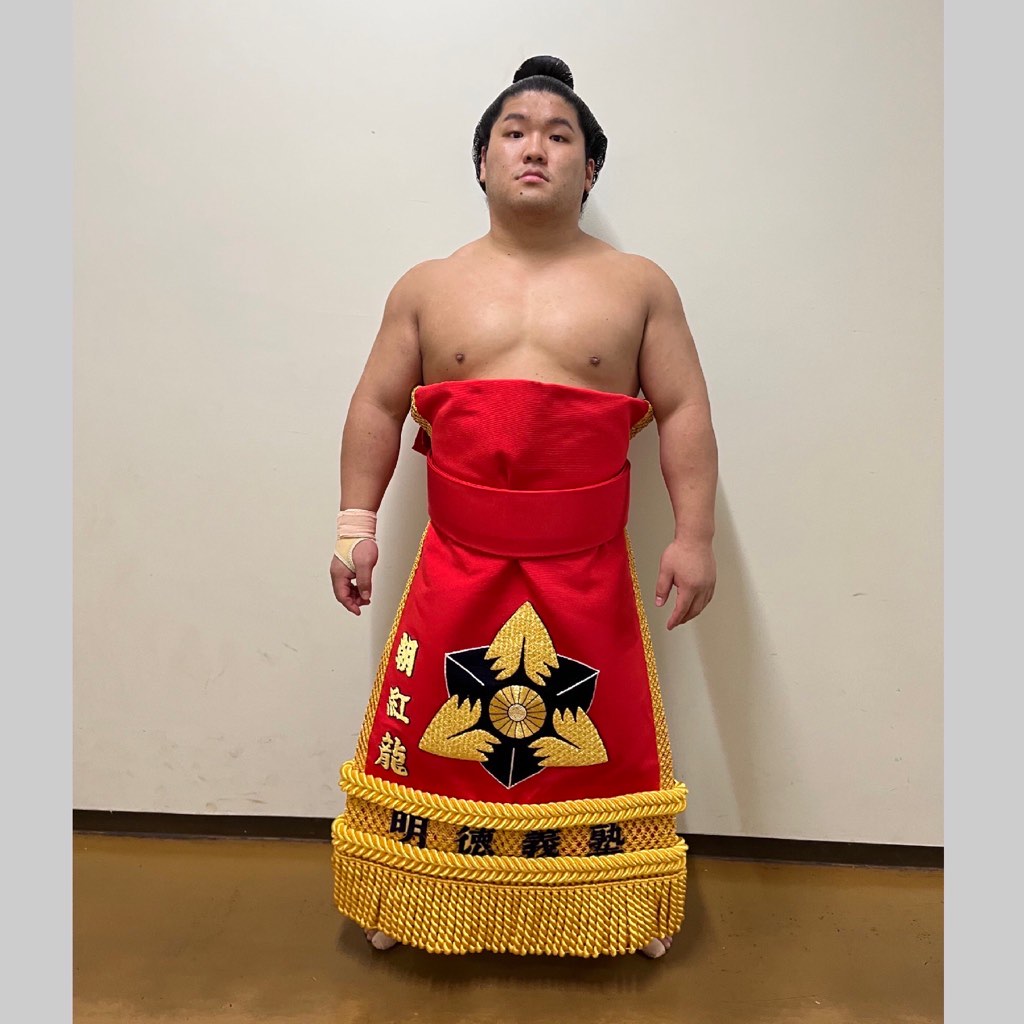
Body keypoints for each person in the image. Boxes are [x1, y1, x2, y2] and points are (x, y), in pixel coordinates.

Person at [329, 55, 717, 960]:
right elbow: (377, 405)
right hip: (455, 560)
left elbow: (685, 409)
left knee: (598, 735)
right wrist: (355, 525)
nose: (535, 148)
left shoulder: (640, 285)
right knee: (437, 735)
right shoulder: (427, 285)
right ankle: (407, 883)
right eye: (514, 132)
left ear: (591, 167)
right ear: (482, 161)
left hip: (589, 565)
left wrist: (694, 537)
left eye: (558, 135)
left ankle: (619, 890)